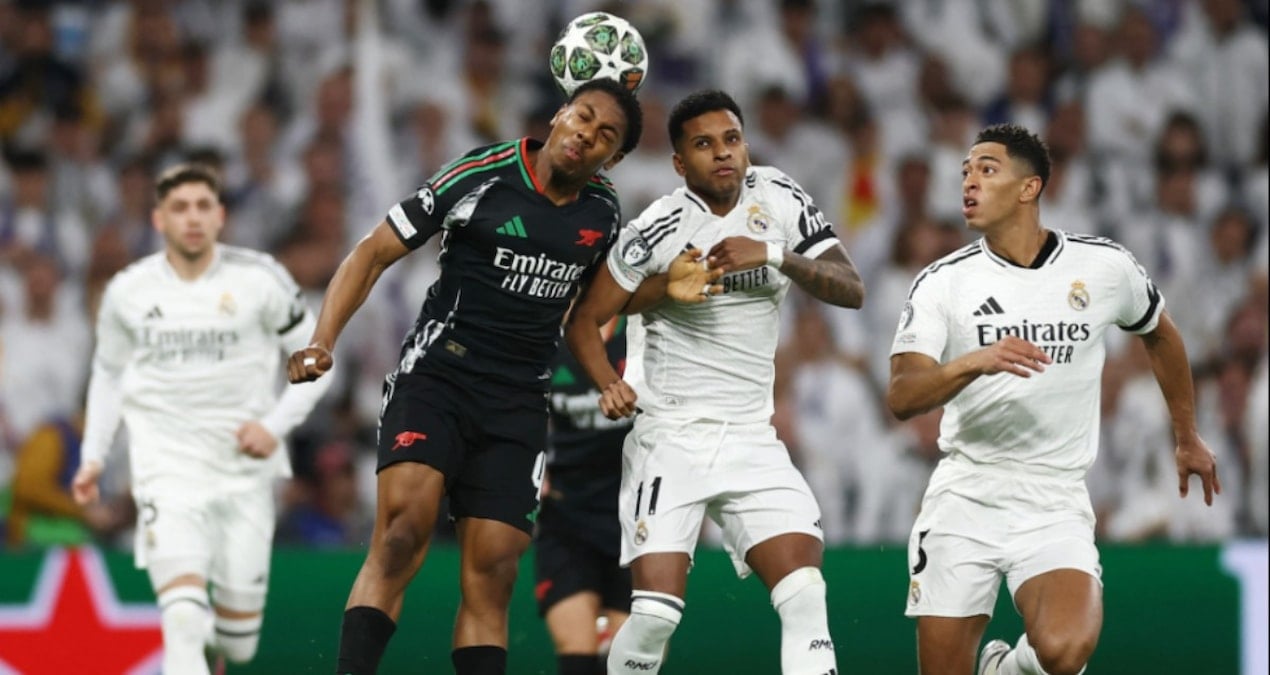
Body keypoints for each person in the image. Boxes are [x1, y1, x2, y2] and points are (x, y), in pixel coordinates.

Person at [284, 78, 644, 675]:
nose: (588, 134)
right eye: (583, 116)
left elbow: (588, 314)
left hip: (520, 399)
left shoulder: (603, 213)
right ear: (560, 114)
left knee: (495, 570)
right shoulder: (482, 173)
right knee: (402, 531)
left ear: (617, 157)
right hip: (439, 376)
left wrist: (606, 377)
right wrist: (323, 340)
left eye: (606, 134)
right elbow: (372, 252)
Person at [884, 124, 1221, 675]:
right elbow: (902, 396)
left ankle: (1003, 669)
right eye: (965, 171)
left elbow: (1160, 334)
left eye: (986, 169)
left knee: (1065, 650)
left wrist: (1186, 435)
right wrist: (973, 361)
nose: (968, 182)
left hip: (1054, 497)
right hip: (967, 492)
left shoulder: (1103, 267)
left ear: (1029, 187)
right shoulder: (942, 282)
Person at [564, 89, 865, 675]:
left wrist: (773, 254)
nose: (723, 153)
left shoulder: (779, 195)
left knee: (806, 593)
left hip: (752, 436)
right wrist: (607, 380)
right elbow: (584, 318)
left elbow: (851, 288)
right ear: (680, 163)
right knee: (654, 617)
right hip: (670, 436)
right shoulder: (658, 226)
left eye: (732, 139)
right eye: (704, 145)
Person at [71, 163, 334, 674]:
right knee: (183, 616)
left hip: (243, 473)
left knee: (239, 643)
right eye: (179, 208)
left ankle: (222, 637)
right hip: (166, 471)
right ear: (158, 219)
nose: (191, 218)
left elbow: (319, 361)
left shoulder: (261, 280)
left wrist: (273, 425)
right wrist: (93, 457)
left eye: (202, 207)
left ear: (220, 216)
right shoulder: (129, 290)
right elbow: (107, 374)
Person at [535, 315, 634, 675]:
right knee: (577, 656)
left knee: (631, 660)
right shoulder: (545, 334)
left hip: (636, 519)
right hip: (567, 517)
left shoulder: (642, 329)